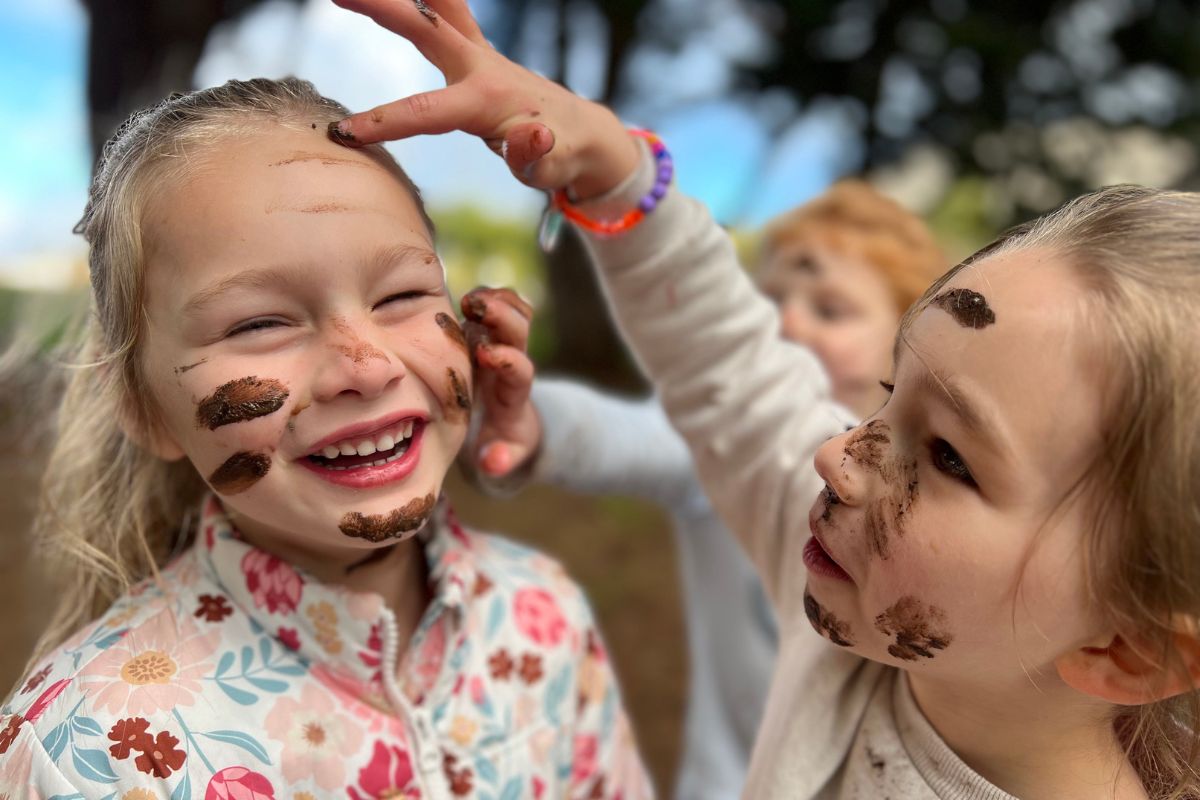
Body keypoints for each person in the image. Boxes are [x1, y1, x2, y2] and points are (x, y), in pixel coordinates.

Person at [320, 0, 1200, 797]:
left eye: (947, 456)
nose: (833, 454)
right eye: (890, 396)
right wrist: (611, 169)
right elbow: (734, 377)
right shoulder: (863, 625)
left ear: (1124, 650)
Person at [0, 77, 651, 799]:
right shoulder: (87, 752)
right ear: (147, 409)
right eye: (259, 324)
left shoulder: (543, 619)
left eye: (403, 295)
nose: (367, 368)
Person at [460, 182, 945, 800]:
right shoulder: (734, 455)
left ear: (907, 342)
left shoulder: (935, 501)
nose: (788, 322)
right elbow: (640, 434)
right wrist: (533, 420)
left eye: (830, 308)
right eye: (768, 305)